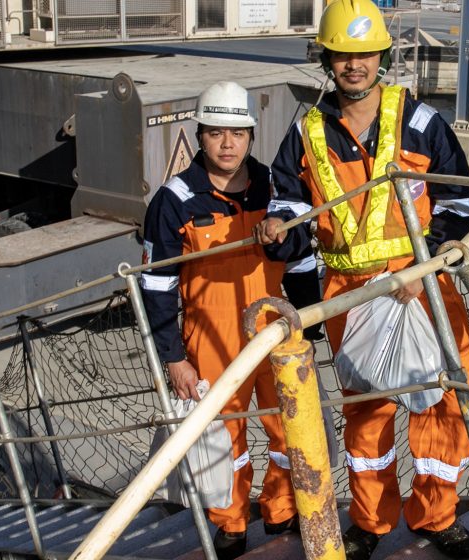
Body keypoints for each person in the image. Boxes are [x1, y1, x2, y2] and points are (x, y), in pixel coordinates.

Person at [256, 1, 469, 559]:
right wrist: (278, 233)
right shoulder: (306, 132)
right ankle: (371, 522)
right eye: (342, 54)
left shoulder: (421, 121)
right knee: (366, 411)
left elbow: (460, 203)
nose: (354, 65)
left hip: (423, 287)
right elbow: (289, 212)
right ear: (326, 59)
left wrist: (419, 267)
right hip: (348, 293)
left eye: (364, 53)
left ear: (381, 54)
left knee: (442, 404)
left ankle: (436, 517)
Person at [140, 81, 321, 560]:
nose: (227, 144)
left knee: (290, 427)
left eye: (237, 133)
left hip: (276, 332)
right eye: (216, 133)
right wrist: (173, 358)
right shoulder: (174, 201)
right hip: (212, 341)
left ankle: (283, 509)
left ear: (251, 136)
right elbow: (156, 287)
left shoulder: (276, 187)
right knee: (224, 438)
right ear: (199, 136)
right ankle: (232, 524)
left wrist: (311, 322)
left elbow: (301, 259)